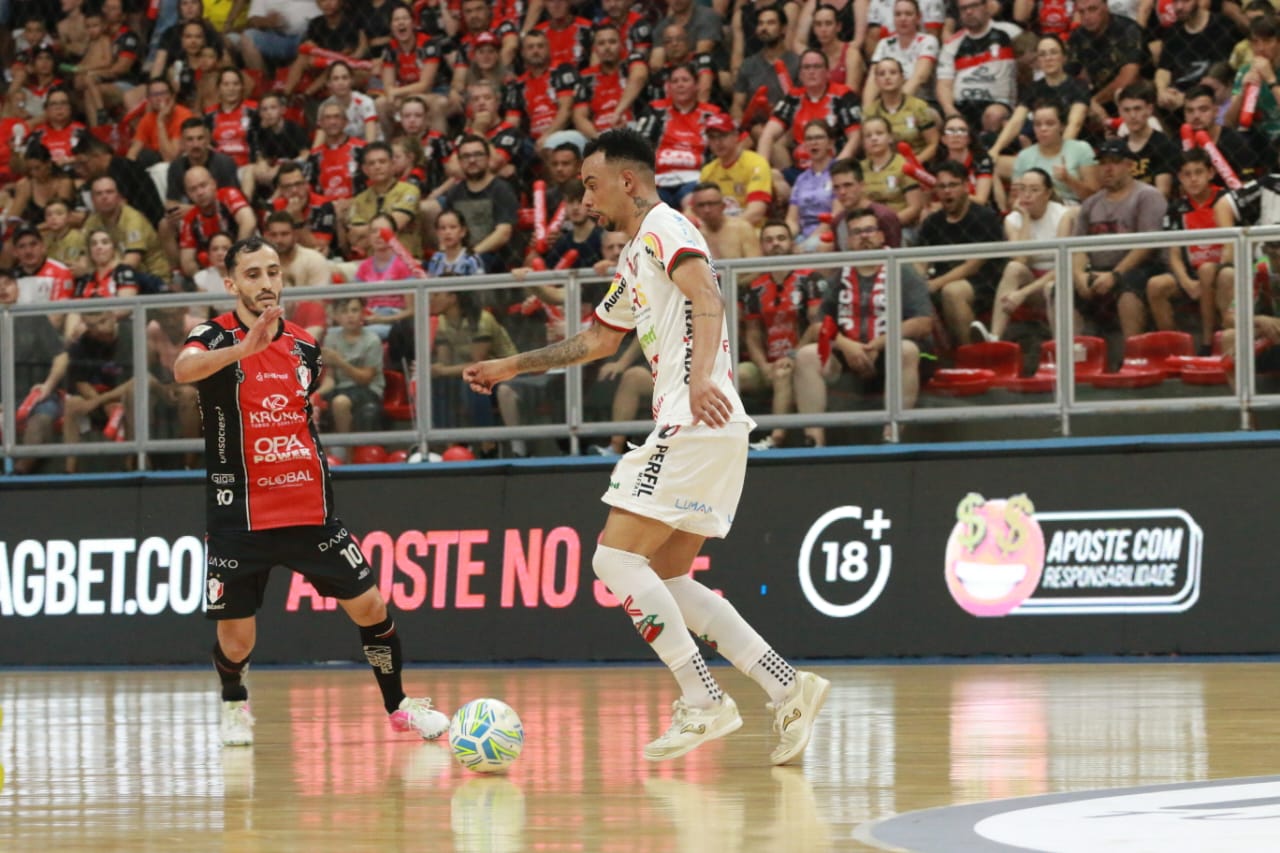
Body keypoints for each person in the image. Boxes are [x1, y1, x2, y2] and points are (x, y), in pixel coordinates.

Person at [463, 128, 829, 765]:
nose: (585, 199)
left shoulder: (667, 227)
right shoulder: (637, 254)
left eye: (591, 184)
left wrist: (698, 378)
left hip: (694, 415)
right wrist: (511, 367)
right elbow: (597, 343)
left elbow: (709, 297)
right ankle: (787, 685)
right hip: (708, 422)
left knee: (613, 562)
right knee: (666, 574)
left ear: (626, 181)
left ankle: (705, 701)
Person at [171, 235, 449, 748]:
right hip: (240, 519)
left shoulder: (304, 345)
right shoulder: (211, 337)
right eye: (253, 274)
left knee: (371, 606)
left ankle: (399, 706)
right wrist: (243, 349)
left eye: (273, 271)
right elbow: (182, 370)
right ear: (231, 284)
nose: (267, 283)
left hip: (308, 509)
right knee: (237, 639)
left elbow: (302, 405)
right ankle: (235, 702)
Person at [794, 207, 935, 445]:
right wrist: (848, 346)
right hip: (848, 357)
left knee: (906, 350)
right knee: (808, 356)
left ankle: (893, 433)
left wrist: (878, 344)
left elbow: (923, 322)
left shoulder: (903, 269)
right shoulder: (840, 275)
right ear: (848, 241)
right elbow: (819, 324)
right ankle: (814, 440)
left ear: (881, 236)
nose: (864, 236)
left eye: (870, 230)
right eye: (857, 232)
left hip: (890, 354)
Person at [740, 220, 825, 450]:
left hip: (803, 358)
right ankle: (726, 444)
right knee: (739, 374)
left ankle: (776, 438)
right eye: (769, 240)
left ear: (792, 244)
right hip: (768, 362)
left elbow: (817, 325)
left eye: (781, 238)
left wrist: (793, 355)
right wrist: (762, 364)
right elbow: (753, 334)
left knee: (783, 372)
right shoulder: (754, 287)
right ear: (761, 247)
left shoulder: (810, 279)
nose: (775, 244)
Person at [1072, 138, 1168, 340]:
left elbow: (1147, 245)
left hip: (1140, 268)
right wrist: (1080, 275)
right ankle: (1074, 357)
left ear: (1129, 165)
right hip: (1099, 269)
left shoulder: (1147, 195)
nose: (1108, 168)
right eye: (1103, 163)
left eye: (1114, 162)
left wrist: (1115, 275)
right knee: (1060, 289)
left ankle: (1133, 354)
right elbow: (1077, 247)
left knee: (1128, 288)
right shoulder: (1090, 204)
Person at [1147, 149, 1237, 349]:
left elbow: (1232, 244)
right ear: (1179, 178)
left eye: (1199, 172)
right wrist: (1186, 282)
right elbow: (1174, 252)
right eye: (1187, 174)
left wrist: (1215, 272)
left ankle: (1207, 342)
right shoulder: (1176, 207)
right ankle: (1176, 348)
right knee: (1156, 285)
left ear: (1211, 173)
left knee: (1206, 270)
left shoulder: (1226, 200)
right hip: (1189, 272)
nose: (1193, 179)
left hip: (1221, 268)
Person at [973, 168, 1076, 343]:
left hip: (1059, 279)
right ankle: (994, 338)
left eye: (1034, 190)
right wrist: (1026, 218)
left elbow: (1064, 266)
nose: (1026, 195)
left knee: (1051, 287)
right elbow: (1020, 259)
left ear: (1048, 193)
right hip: (1032, 279)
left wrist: (1023, 293)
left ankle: (1060, 346)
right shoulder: (1013, 219)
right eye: (1022, 189)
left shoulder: (1063, 215)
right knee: (1013, 268)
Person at [918, 160, 1006, 346]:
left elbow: (973, 265)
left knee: (953, 291)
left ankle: (970, 356)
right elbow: (920, 260)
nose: (947, 191)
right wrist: (918, 283)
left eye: (952, 185)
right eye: (941, 186)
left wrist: (935, 284)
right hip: (941, 281)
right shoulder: (932, 222)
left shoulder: (984, 217)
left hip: (985, 282)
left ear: (966, 187)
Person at [0, 267, 67, 474]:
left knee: (42, 418)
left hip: (36, 396)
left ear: (17, 288)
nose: (2, 289)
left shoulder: (34, 318)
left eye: (8, 283)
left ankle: (19, 474)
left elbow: (61, 357)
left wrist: (48, 386)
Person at [318, 296, 387, 438]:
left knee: (340, 402)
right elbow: (330, 378)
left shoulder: (372, 340)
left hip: (368, 390)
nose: (350, 315)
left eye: (354, 310)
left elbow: (365, 379)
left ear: (363, 313)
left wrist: (340, 362)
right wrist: (315, 394)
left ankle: (346, 451)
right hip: (340, 389)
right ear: (336, 316)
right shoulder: (331, 338)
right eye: (344, 311)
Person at [690, 182, 762, 260]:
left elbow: (755, 267)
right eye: (701, 205)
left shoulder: (742, 228)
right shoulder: (694, 236)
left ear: (723, 206)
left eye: (711, 204)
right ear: (694, 210)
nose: (707, 210)